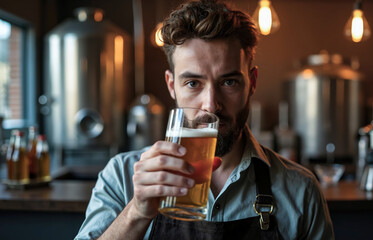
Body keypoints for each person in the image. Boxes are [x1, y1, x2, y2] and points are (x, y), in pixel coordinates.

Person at [75, 0, 334, 239]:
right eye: (193, 83)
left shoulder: (301, 191)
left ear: (252, 83)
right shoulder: (121, 176)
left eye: (229, 81)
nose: (211, 104)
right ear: (171, 85)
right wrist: (137, 213)